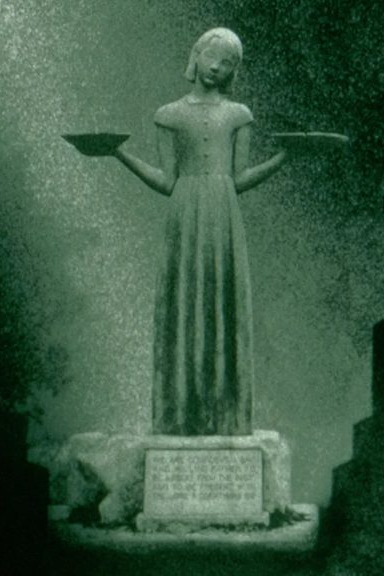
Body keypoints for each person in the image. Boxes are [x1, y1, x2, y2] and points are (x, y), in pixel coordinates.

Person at [110, 27, 286, 435]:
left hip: (223, 214)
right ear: (197, 53)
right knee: (184, 301)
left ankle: (225, 415)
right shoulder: (169, 115)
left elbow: (239, 178)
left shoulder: (238, 115)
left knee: (222, 301)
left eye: (227, 63)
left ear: (231, 72)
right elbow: (167, 181)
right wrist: (120, 154)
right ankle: (180, 413)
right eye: (213, 56)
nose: (216, 67)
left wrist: (282, 157)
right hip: (185, 213)